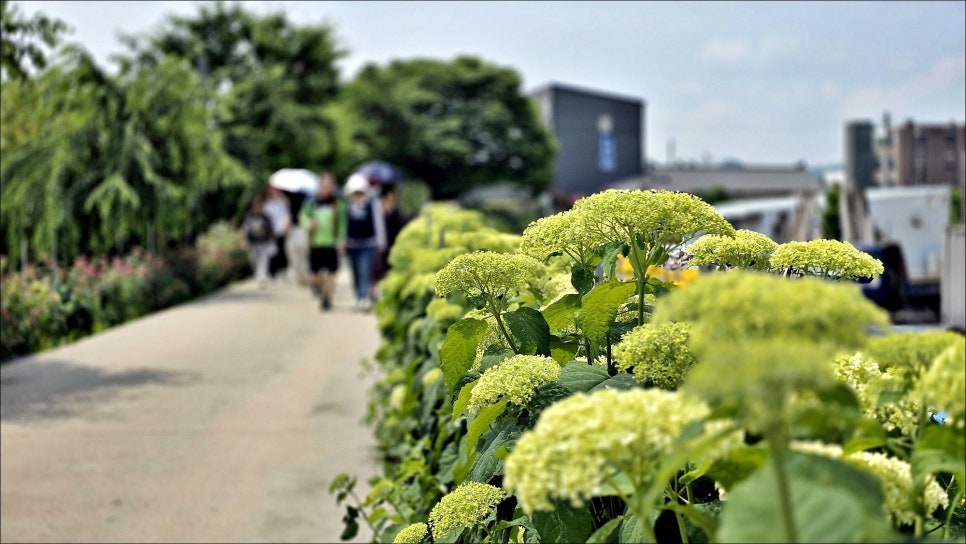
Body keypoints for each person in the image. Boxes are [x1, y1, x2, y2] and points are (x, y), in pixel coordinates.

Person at [300, 172, 346, 311]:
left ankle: (328, 297)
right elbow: (303, 217)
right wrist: (308, 224)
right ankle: (319, 288)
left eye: (329, 185)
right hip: (316, 243)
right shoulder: (311, 202)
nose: (326, 188)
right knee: (315, 274)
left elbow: (342, 223)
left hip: (331, 242)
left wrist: (341, 240)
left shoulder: (338, 203)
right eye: (324, 185)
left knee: (332, 272)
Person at [343, 173, 386, 312]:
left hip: (368, 243)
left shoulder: (372, 204)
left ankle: (364, 298)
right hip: (352, 244)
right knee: (355, 272)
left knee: (364, 270)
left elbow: (378, 224)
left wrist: (381, 242)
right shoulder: (347, 206)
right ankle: (359, 296)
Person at [243, 194, 275, 288]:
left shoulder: (266, 216)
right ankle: (259, 275)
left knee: (264, 260)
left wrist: (271, 239)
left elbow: (270, 229)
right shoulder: (249, 216)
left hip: (264, 242)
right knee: (254, 260)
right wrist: (245, 240)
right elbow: (246, 229)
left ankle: (262, 277)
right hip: (253, 242)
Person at [264, 185, 291, 281]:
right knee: (271, 251)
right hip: (270, 231)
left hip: (280, 230)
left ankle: (283, 269)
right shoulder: (268, 204)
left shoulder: (282, 203)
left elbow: (286, 215)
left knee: (281, 250)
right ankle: (272, 272)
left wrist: (286, 227)